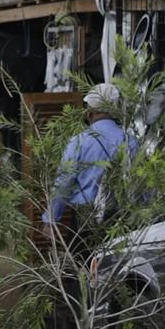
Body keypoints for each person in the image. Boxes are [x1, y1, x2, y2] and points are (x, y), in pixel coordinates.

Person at [45, 82, 138, 246]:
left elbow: (64, 182)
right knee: (117, 268)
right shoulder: (131, 141)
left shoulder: (79, 141)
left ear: (90, 111)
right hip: (121, 218)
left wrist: (51, 218)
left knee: (83, 268)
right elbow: (140, 183)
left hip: (85, 218)